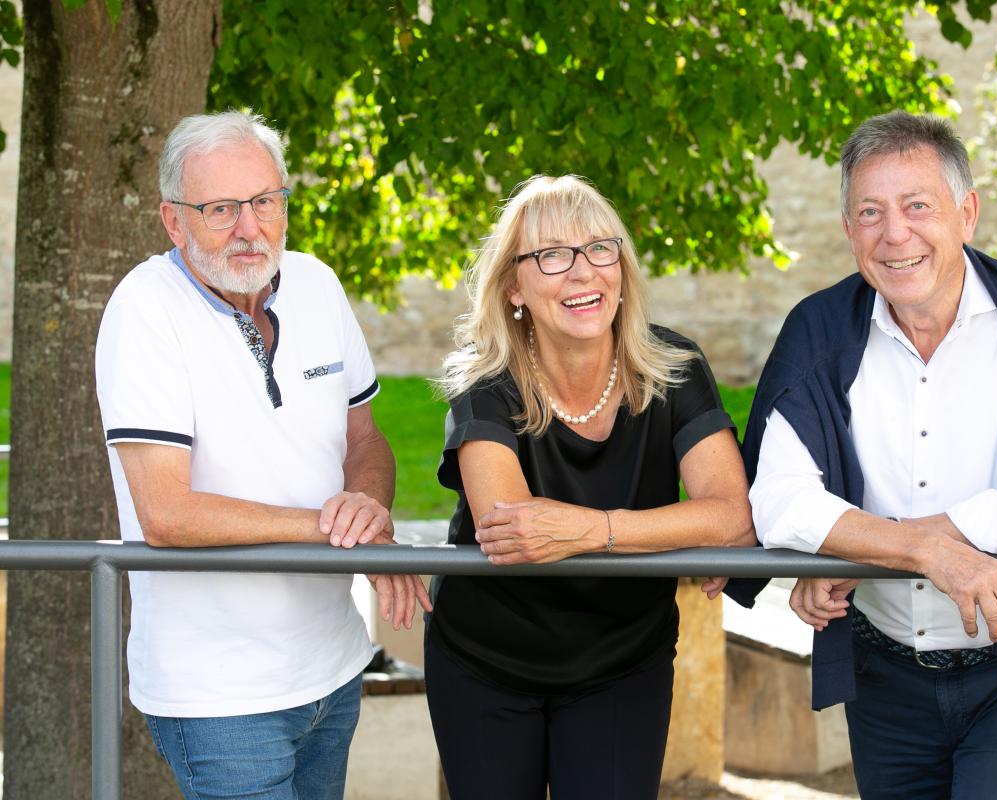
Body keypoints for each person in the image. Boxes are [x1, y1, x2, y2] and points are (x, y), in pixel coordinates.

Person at [741, 111, 997, 799]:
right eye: (869, 212)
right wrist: (930, 554)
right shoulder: (815, 333)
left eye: (917, 206)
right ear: (848, 231)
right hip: (884, 673)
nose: (894, 233)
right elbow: (779, 501)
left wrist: (855, 548)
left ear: (967, 213)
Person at [94, 110, 430, 800]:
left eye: (266, 202)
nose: (250, 228)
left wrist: (369, 506)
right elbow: (166, 514)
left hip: (333, 667)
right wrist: (333, 529)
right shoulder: (144, 309)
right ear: (173, 220)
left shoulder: (318, 285)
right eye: (220, 209)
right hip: (217, 692)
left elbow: (365, 441)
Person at [427, 174, 754, 799]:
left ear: (623, 271)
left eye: (600, 249)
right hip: (486, 662)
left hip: (623, 659)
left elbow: (732, 515)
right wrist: (665, 531)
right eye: (551, 255)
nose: (582, 272)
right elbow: (513, 527)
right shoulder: (485, 379)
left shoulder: (674, 367)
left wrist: (592, 528)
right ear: (513, 287)